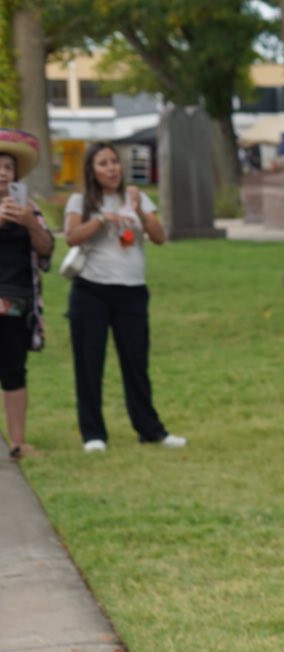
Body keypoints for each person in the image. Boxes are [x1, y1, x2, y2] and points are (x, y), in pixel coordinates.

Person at [63, 142, 184, 452]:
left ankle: (150, 430)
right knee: (89, 365)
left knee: (136, 364)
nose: (112, 168)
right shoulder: (81, 201)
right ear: (92, 170)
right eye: (103, 163)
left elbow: (159, 237)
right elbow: (71, 237)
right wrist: (102, 219)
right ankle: (93, 434)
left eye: (114, 162)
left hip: (131, 292)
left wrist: (139, 210)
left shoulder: (136, 197)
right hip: (91, 291)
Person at [0, 129, 53, 460]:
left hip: (16, 302)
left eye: (8, 167)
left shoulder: (28, 208)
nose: (2, 173)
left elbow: (46, 253)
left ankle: (18, 441)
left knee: (14, 370)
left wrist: (30, 224)